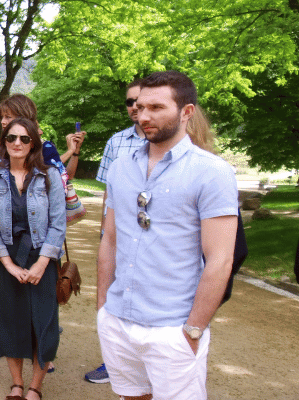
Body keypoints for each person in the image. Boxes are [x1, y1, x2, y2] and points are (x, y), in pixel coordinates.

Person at [97, 70, 237, 400]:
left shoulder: (212, 172)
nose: (143, 116)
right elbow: (111, 238)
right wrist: (104, 308)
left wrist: (193, 329)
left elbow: (220, 258)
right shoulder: (120, 167)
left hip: (172, 327)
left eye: (156, 108)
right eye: (139, 107)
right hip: (118, 320)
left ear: (186, 112)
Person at [0, 94, 78, 367]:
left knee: (40, 297)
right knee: (5, 297)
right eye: (3, 118)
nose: (5, 122)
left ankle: (41, 349)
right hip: (4, 233)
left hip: (38, 234)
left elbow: (59, 188)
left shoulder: (45, 149)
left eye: (10, 116)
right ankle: (6, 343)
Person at [0, 117, 65, 400]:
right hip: (8, 257)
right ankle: (17, 383)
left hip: (42, 255)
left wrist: (42, 263)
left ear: (34, 143)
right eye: (11, 138)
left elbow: (58, 223)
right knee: (10, 322)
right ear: (4, 143)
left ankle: (35, 387)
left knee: (43, 323)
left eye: (24, 138)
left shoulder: (50, 175)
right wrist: (8, 265)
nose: (18, 143)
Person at [84, 79, 148, 384]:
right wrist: (103, 235)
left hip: (153, 240)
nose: (134, 107)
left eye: (140, 100)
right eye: (129, 102)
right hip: (119, 234)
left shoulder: (174, 142)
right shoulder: (117, 141)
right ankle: (113, 361)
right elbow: (109, 194)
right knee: (114, 297)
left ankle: (147, 364)